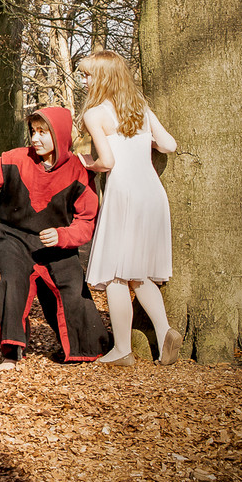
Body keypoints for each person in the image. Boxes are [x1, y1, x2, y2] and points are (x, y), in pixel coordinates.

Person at [0, 107, 112, 370]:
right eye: (33, 132)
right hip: (13, 238)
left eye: (43, 132)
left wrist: (63, 235)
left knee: (72, 287)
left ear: (58, 135)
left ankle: (87, 348)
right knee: (13, 281)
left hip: (56, 244)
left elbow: (86, 221)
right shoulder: (13, 158)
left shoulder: (79, 170)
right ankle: (11, 353)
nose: (35, 138)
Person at [76, 50, 181, 367]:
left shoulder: (95, 114)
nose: (84, 80)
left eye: (88, 74)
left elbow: (107, 162)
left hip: (125, 196)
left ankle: (122, 349)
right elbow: (169, 145)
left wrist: (86, 163)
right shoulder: (140, 108)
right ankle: (164, 334)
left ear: (103, 77)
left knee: (116, 277)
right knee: (139, 274)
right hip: (152, 194)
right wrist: (142, 141)